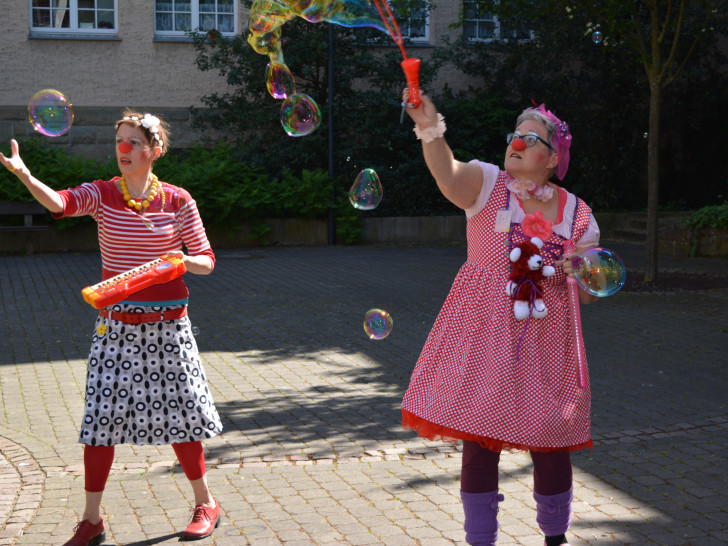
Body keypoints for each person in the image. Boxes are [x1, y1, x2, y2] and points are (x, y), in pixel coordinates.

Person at [0, 111, 224, 544]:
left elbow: (207, 261)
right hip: (116, 329)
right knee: (101, 422)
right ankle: (91, 520)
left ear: (155, 150)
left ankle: (206, 503)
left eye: (134, 142)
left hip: (168, 328)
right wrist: (26, 175)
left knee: (183, 418)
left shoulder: (178, 200)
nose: (124, 149)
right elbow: (61, 204)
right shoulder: (103, 194)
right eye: (119, 140)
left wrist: (179, 262)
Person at [400, 91, 601, 546]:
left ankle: (555, 536)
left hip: (548, 346)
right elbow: (447, 173)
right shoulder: (488, 184)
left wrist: (581, 275)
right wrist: (430, 129)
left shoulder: (578, 214)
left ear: (552, 159)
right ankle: (480, 540)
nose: (517, 141)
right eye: (515, 133)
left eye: (532, 137)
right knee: (480, 442)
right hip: (485, 337)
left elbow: (589, 294)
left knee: (551, 442)